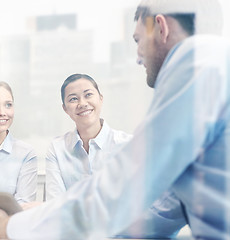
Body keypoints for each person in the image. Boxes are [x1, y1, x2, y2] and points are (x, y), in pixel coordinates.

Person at [0, 0, 230, 239]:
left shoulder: (198, 62)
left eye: (137, 41)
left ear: (160, 27)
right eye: (72, 99)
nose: (137, 57)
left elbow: (117, 194)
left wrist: (10, 229)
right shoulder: (218, 67)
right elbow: (161, 212)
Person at [45, 73, 186, 237]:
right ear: (65, 108)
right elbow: (55, 207)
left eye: (88, 95)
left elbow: (135, 209)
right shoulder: (57, 148)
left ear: (100, 98)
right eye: (73, 99)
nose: (82, 103)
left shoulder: (128, 145)